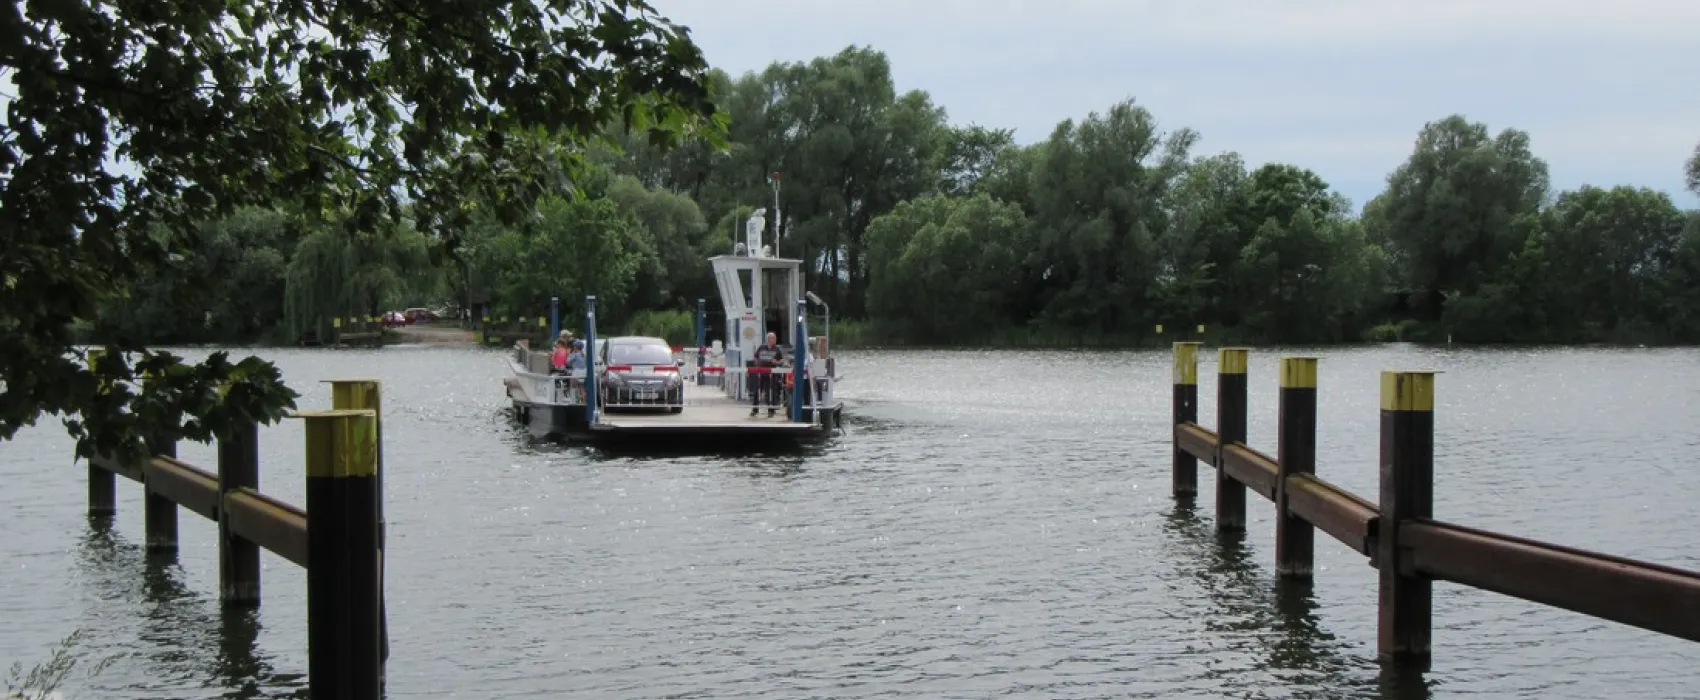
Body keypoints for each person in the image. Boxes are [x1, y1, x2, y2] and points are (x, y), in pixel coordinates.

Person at [749, 332, 786, 417]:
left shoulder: (777, 349)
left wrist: (777, 362)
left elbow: (782, 360)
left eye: (775, 338)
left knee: (770, 392)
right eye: (774, 338)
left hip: (771, 375)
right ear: (769, 339)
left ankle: (771, 410)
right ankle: (755, 409)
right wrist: (757, 363)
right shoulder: (761, 347)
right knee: (757, 391)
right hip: (761, 373)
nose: (775, 340)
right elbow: (755, 357)